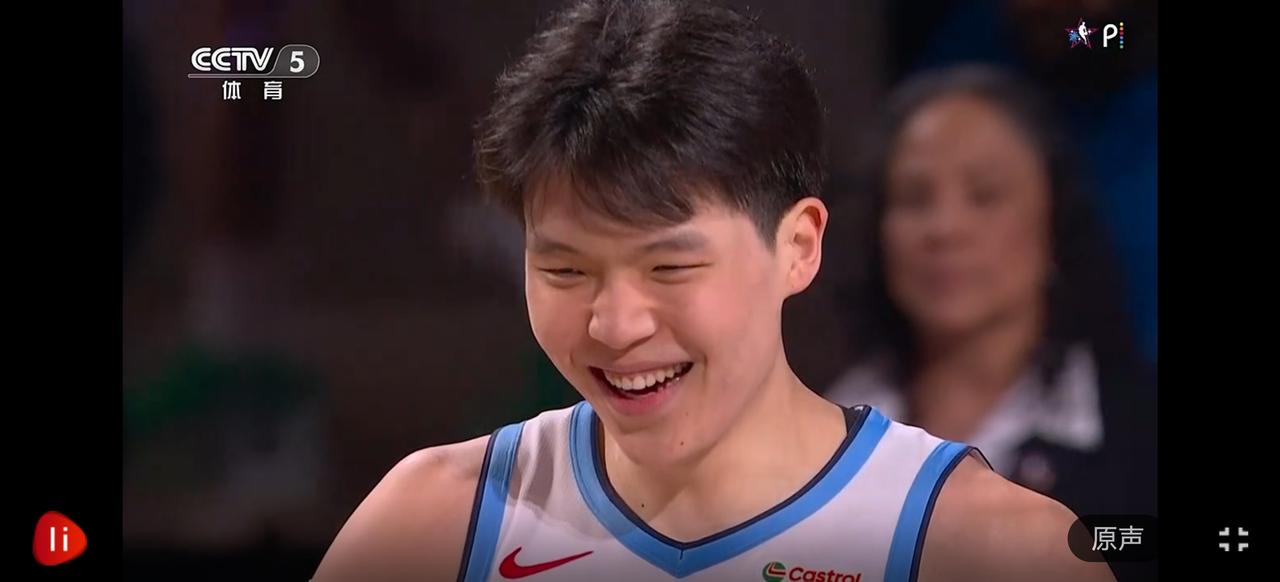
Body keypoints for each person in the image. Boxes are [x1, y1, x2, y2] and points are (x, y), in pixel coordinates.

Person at [314, 2, 1115, 581]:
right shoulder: (434, 524)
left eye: (669, 268)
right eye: (565, 270)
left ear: (798, 247)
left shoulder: (992, 548)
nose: (615, 324)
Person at [823, 64, 1156, 566]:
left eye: (985, 195)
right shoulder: (824, 432)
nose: (945, 228)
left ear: (1055, 223)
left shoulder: (1140, 433)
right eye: (914, 199)